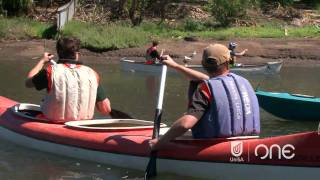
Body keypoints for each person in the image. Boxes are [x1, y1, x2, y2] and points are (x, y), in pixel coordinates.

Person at [149, 44, 260, 150]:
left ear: (203, 64)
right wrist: (176, 66)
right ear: (229, 61)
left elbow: (185, 124)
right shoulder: (244, 82)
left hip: (214, 145)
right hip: (249, 142)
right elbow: (206, 79)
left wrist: (159, 142)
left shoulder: (206, 88)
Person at [25, 37, 111, 123]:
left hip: (54, 123)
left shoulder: (50, 71)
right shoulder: (92, 74)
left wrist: (42, 61)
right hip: (84, 124)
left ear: (59, 53)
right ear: (77, 54)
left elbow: (28, 83)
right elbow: (105, 109)